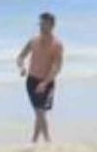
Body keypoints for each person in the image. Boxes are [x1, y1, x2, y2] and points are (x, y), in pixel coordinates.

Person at [15, 12, 64, 143]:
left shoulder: (57, 45)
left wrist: (45, 82)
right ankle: (46, 140)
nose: (41, 26)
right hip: (32, 80)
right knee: (39, 111)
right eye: (40, 23)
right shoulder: (33, 41)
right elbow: (20, 57)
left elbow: (57, 67)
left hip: (47, 82)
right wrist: (22, 67)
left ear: (52, 25)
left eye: (44, 24)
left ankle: (36, 140)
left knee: (40, 112)